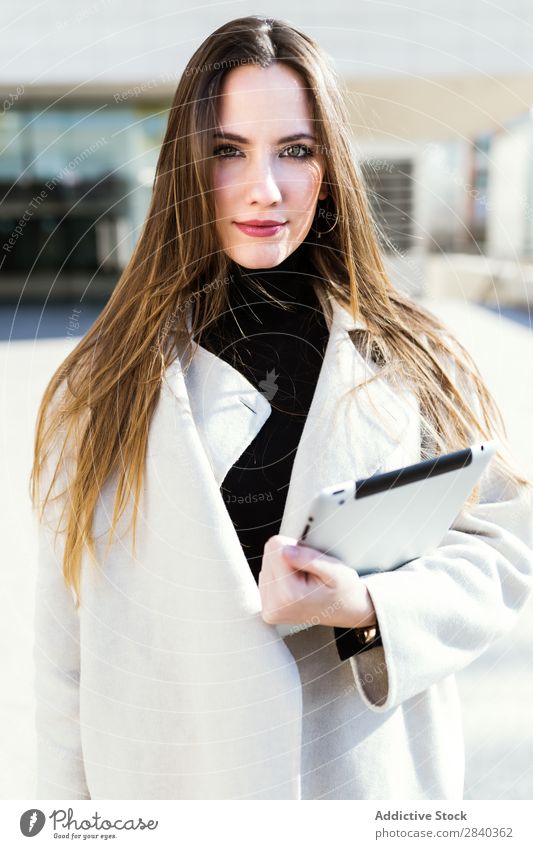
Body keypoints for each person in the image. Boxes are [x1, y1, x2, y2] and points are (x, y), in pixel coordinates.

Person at [30, 15, 533, 801]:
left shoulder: (408, 355)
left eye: (293, 150)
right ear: (186, 168)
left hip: (359, 789)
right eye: (229, 150)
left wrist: (367, 604)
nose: (265, 188)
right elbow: (65, 658)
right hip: (174, 797)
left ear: (327, 167)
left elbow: (507, 548)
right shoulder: (98, 387)